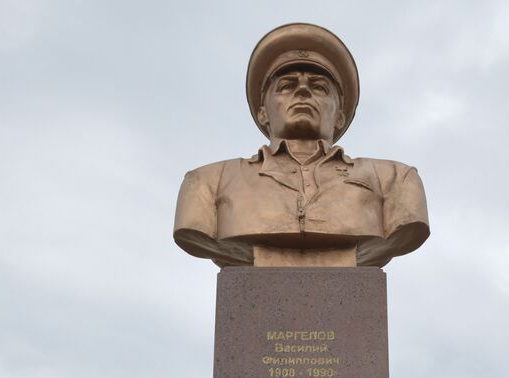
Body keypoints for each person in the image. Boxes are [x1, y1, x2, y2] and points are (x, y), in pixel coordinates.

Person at [173, 22, 429, 268]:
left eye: (319, 87)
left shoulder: (394, 180)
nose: (303, 91)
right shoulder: (208, 182)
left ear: (340, 115)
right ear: (263, 112)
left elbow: (408, 229)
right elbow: (194, 233)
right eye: (287, 85)